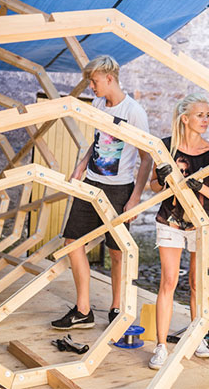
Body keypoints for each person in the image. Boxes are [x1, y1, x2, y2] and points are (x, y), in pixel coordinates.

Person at [53, 55, 152, 330]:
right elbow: (97, 142)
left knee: (117, 251)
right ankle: (83, 310)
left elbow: (146, 158)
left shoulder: (134, 112)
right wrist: (81, 166)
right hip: (91, 184)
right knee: (72, 242)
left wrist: (135, 198)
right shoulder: (98, 104)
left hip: (119, 190)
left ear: (109, 78)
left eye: (94, 81)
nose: (91, 87)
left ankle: (116, 307)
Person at [147, 93, 209, 370]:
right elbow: (153, 187)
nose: (205, 120)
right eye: (200, 115)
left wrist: (200, 186)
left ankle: (197, 337)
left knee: (197, 283)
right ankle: (160, 345)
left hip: (202, 224)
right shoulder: (165, 148)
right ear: (185, 118)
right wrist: (160, 180)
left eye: (208, 115)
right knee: (168, 281)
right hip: (170, 220)